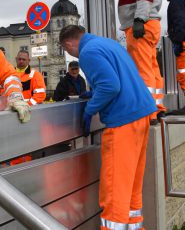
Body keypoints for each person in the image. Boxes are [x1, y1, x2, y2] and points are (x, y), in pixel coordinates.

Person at [59, 25, 156, 230]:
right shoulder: (108, 44)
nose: (71, 55)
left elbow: (110, 86)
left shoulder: (88, 52)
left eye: (68, 51)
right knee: (131, 188)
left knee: (115, 191)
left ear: (68, 44)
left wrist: (89, 110)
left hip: (123, 122)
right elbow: (117, 79)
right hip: (141, 115)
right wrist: (94, 93)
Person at [118, 0, 166, 123]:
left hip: (141, 26)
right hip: (149, 25)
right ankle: (157, 108)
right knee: (152, 68)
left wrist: (139, 19)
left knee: (143, 69)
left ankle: (147, 113)